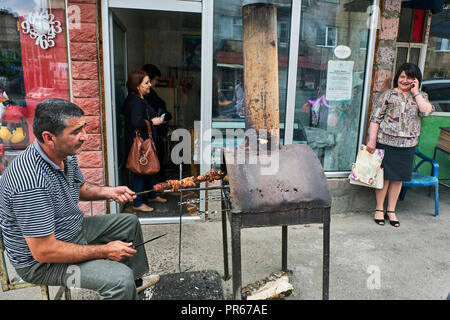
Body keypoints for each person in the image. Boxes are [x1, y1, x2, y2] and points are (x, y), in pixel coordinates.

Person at [0, 98, 159, 299]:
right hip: (41, 262)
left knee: (128, 223)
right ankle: (124, 287)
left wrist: (109, 192)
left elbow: (81, 187)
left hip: (67, 230)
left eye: (83, 128)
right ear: (49, 137)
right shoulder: (30, 183)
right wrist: (105, 251)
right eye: (76, 132)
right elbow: (44, 251)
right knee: (119, 278)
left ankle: (133, 286)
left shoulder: (65, 153)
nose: (84, 137)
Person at [367, 62, 434, 227]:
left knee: (398, 179)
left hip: (408, 145)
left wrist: (416, 92)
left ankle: (391, 210)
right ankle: (378, 209)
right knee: (385, 177)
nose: (404, 80)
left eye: (409, 77)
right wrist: (372, 140)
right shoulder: (388, 95)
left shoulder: (421, 97)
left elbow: (426, 112)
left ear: (416, 80)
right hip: (387, 142)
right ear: (398, 77)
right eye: (402, 76)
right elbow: (375, 119)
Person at [123, 69, 166, 212]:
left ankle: (152, 194)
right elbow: (136, 122)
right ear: (137, 86)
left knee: (149, 168)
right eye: (146, 83)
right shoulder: (136, 102)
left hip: (143, 141)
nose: (150, 85)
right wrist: (152, 122)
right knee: (140, 172)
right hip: (139, 143)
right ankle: (138, 203)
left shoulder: (138, 99)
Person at [142, 64, 172, 184]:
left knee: (159, 158)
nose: (153, 83)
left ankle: (158, 188)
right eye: (155, 80)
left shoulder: (150, 93)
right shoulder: (140, 97)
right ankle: (155, 189)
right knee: (155, 160)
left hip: (156, 132)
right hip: (151, 133)